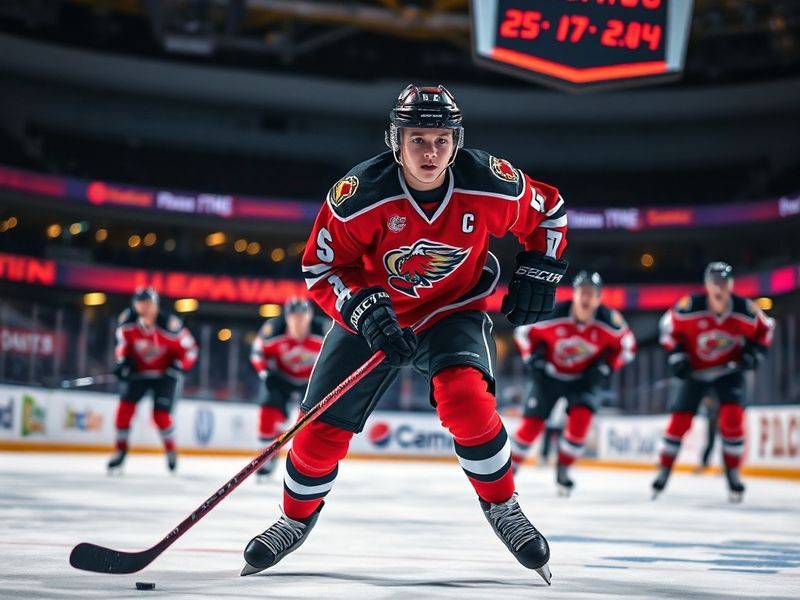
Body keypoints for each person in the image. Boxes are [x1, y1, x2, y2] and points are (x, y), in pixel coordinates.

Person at [241, 84, 569, 584]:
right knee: (316, 436)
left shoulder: (488, 182)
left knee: (467, 403)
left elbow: (549, 209)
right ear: (396, 141)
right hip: (373, 316)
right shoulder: (358, 196)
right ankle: (293, 519)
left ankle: (504, 508)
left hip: (451, 311)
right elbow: (320, 267)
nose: (430, 152)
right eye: (418, 139)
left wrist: (541, 265)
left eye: (441, 139)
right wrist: (360, 307)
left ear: (456, 141)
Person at [653, 262, 774, 502]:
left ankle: (732, 475)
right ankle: (664, 470)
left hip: (729, 373)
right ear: (707, 286)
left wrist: (755, 353)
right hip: (695, 373)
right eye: (714, 282)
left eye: (724, 282)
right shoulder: (690, 307)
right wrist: (678, 356)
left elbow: (766, 330)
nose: (719, 287)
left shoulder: (746, 310)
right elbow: (667, 328)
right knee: (679, 422)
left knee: (732, 420)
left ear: (730, 285)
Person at [510, 271, 636, 496]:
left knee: (581, 422)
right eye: (582, 293)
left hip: (583, 379)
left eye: (592, 294)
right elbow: (522, 333)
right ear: (575, 294)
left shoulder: (610, 321)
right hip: (549, 375)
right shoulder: (553, 312)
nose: (586, 298)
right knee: (531, 426)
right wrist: (533, 358)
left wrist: (606, 366)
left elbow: (628, 348)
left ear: (599, 298)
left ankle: (563, 471)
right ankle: (509, 472)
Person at [108, 287, 198, 473]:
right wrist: (123, 362)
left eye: (149, 304)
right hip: (138, 375)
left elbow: (190, 350)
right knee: (124, 411)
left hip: (165, 376)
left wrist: (179, 366)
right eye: (141, 304)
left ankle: (171, 451)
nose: (145, 308)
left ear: (156, 306)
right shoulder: (127, 323)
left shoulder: (170, 325)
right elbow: (123, 347)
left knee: (161, 416)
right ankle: (120, 452)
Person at [250, 298, 326, 478]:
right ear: (287, 318)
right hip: (280, 378)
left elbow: (338, 354)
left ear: (310, 317)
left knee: (314, 423)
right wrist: (265, 373)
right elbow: (257, 353)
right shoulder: (273, 330)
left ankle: (311, 463)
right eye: (294, 317)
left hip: (311, 381)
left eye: (302, 316)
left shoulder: (324, 331)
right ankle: (266, 457)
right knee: (268, 414)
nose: (298, 321)